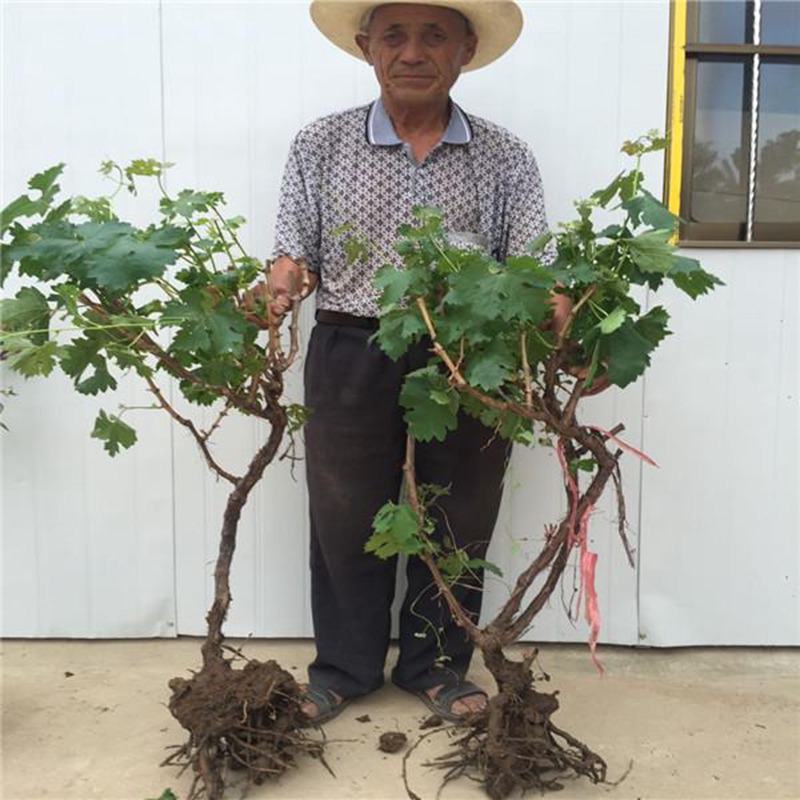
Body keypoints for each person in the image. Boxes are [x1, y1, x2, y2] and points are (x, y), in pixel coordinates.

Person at [267, 0, 559, 724]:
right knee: (343, 513)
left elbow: (531, 262)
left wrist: (558, 310)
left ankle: (436, 667)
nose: (413, 51)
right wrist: (280, 283)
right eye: (394, 35)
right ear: (367, 48)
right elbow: (291, 248)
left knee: (459, 514)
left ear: (465, 50)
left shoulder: (504, 154)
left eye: (435, 35)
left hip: (469, 356)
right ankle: (345, 668)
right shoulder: (321, 143)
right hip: (349, 345)